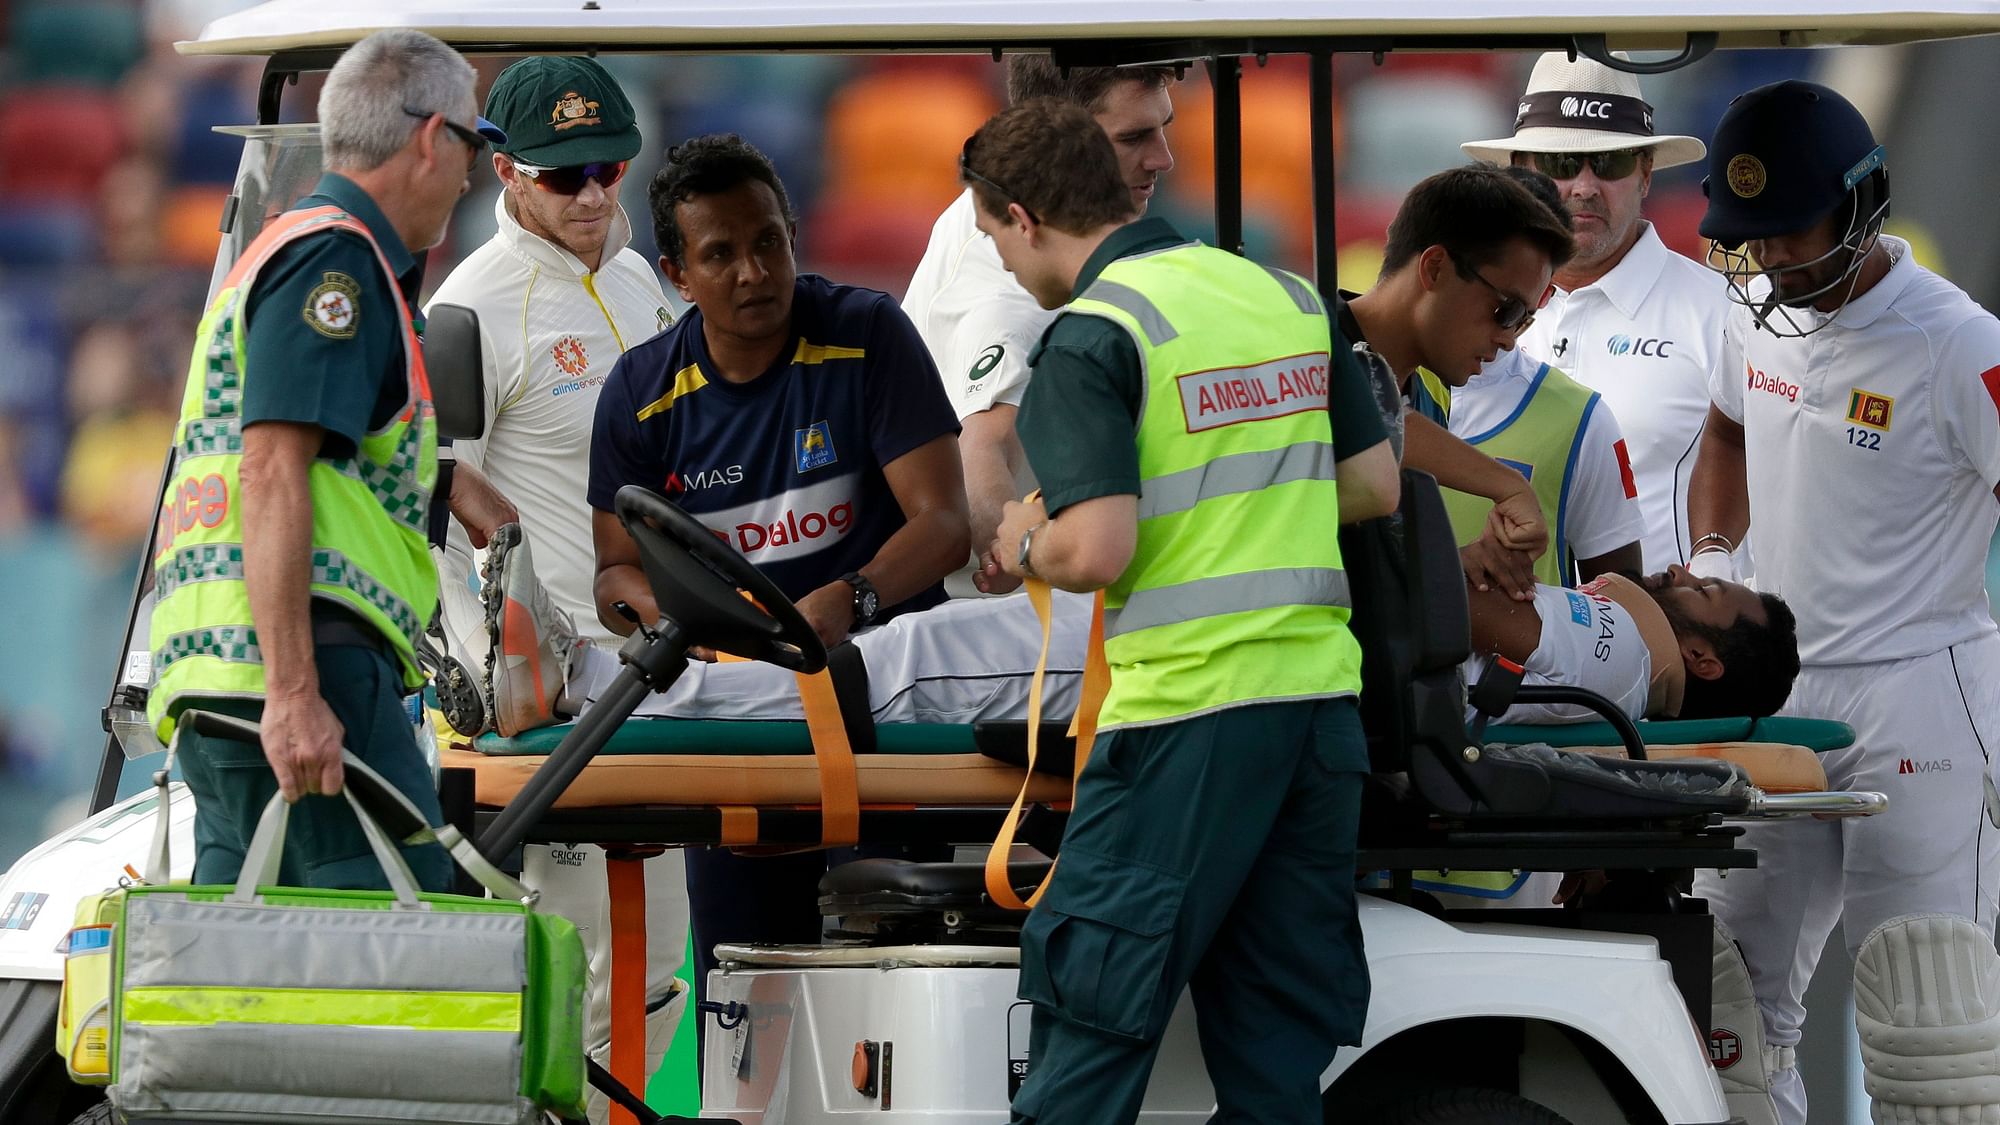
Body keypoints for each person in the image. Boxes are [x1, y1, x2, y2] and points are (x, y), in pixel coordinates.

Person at [964, 96, 1399, 1125]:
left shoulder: (1092, 334)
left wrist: (1020, 539)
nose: (1000, 265)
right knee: (1272, 1062)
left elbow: (1096, 548)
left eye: (990, 238)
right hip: (1316, 719)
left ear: (1024, 216)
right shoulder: (1284, 293)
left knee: (1090, 1039)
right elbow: (1374, 483)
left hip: (1184, 726)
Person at [588, 132, 969, 1004]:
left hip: (885, 706)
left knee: (883, 991)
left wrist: (850, 596)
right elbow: (614, 571)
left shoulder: (867, 334)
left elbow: (945, 523)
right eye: (720, 254)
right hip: (736, 728)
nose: (754, 272)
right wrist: (672, 622)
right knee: (743, 998)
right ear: (678, 275)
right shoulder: (640, 392)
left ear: (793, 237)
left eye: (768, 242)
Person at [1685, 80, 2000, 1125]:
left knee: (1926, 1020)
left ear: (1861, 203)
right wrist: (1716, 553)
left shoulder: (1957, 343)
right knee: (1721, 1005)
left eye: (1789, 233)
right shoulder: (1755, 318)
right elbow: (1724, 432)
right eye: (1751, 240)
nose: (1769, 263)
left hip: (1918, 690)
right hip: (1775, 691)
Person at [144, 29, 512, 891]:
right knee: (408, 961)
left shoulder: (282, 247)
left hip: (215, 672)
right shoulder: (337, 264)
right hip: (307, 664)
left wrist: (446, 482)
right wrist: (295, 691)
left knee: (255, 973)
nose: (467, 177)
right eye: (469, 147)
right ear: (431, 140)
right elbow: (272, 467)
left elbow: (306, 461)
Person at [424, 54, 686, 1123]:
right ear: (508, 172)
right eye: (563, 174)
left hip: (665, 680)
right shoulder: (469, 308)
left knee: (653, 965)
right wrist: (501, 685)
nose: (590, 196)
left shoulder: (638, 278)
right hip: (554, 707)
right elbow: (439, 497)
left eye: (608, 169)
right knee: (574, 969)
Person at [549, 564, 1793, 731]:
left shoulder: (1632, 654)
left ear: (1713, 659)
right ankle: (604, 684)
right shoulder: (1611, 652)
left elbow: (1462, 613)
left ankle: (601, 698)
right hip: (1227, 644)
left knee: (915, 670)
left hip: (1222, 658)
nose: (1691, 572)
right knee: (922, 655)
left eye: (1719, 591)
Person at [901, 57, 1174, 590]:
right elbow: (979, 447)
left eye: (1165, 128)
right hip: (1010, 627)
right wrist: (1014, 551)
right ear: (1063, 145)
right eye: (1134, 137)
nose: (1163, 158)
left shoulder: (1032, 219)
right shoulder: (1010, 284)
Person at [1464, 51, 1731, 572]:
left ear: (1646, 173)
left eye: (1608, 163)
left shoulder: (1723, 316)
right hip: (1498, 642)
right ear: (1523, 174)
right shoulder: (1466, 316)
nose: (1584, 187)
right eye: (1563, 165)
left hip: (1667, 647)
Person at [1340, 163, 1576, 598]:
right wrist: (1507, 483)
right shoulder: (1308, 347)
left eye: (1526, 319)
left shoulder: (1430, 396)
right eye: (1507, 311)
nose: (1509, 341)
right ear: (1435, 269)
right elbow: (1358, 416)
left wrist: (1455, 560)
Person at [1440, 166, 1646, 587]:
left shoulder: (1582, 417)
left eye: (1518, 313)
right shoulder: (1376, 385)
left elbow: (1621, 596)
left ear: (1545, 293)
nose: (1506, 333)